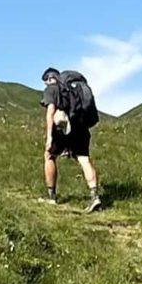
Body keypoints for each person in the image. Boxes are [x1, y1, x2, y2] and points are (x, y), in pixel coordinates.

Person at [41, 66, 104, 210]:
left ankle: (51, 196)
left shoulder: (53, 89)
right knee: (84, 158)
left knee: (49, 156)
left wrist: (49, 137)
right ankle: (95, 196)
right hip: (81, 127)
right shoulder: (74, 89)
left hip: (62, 128)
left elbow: (50, 113)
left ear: (50, 79)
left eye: (46, 81)